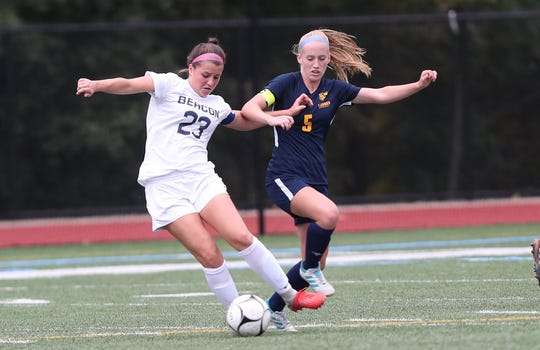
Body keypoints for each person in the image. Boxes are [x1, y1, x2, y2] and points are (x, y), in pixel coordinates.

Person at [76, 37, 326, 320]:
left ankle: (290, 296)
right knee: (210, 254)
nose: (210, 82)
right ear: (190, 68)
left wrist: (284, 113)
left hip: (201, 177)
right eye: (205, 75)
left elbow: (244, 119)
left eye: (216, 77)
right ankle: (240, 316)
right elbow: (128, 83)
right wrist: (97, 85)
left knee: (240, 236)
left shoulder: (217, 104)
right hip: (164, 185)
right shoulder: (169, 85)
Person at [241, 28, 438, 331]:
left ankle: (274, 309)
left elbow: (381, 94)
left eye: (322, 58)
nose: (316, 64)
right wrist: (273, 117)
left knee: (317, 263)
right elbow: (250, 108)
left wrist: (419, 84)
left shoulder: (334, 90)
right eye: (310, 59)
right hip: (284, 176)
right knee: (330, 214)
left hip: (315, 180)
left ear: (329, 59)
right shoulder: (285, 84)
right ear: (299, 58)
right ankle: (307, 270)